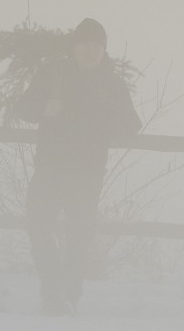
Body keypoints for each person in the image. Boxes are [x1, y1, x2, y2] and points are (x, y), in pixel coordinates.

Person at [16, 18, 141, 314]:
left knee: (79, 235)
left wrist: (106, 120)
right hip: (49, 167)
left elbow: (131, 126)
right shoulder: (53, 74)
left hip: (88, 172)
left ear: (104, 50)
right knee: (38, 225)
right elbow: (23, 109)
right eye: (85, 43)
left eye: (98, 45)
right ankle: (52, 290)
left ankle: (69, 295)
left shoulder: (111, 84)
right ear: (74, 46)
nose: (91, 50)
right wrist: (45, 108)